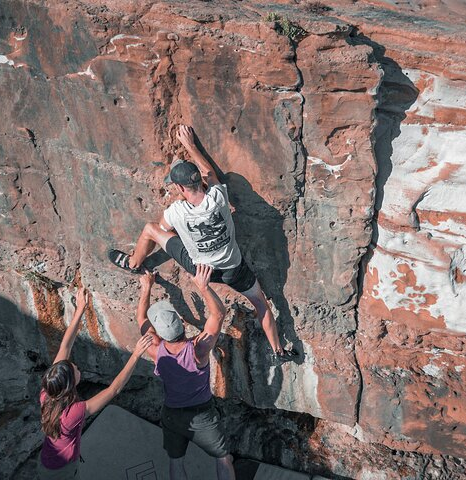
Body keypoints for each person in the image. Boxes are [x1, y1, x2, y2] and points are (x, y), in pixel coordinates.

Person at [109, 124, 297, 364]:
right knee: (262, 305)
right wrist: (191, 145)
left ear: (178, 188)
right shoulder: (218, 197)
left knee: (150, 230)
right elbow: (209, 171)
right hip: (233, 270)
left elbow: (163, 229)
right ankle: (278, 351)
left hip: (201, 270)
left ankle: (134, 262)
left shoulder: (176, 211)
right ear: (200, 182)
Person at [38, 287, 151, 479]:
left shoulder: (48, 392)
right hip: (62, 470)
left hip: (46, 462)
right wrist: (136, 354)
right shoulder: (73, 413)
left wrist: (80, 309)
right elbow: (114, 390)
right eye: (76, 370)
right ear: (70, 385)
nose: (77, 367)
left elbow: (66, 345)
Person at [136, 266, 234, 480]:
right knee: (223, 457)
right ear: (181, 323)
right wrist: (203, 287)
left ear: (158, 334)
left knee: (176, 461)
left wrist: (146, 287)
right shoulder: (198, 349)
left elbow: (141, 320)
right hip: (201, 415)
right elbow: (219, 314)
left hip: (171, 414)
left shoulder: (156, 352)